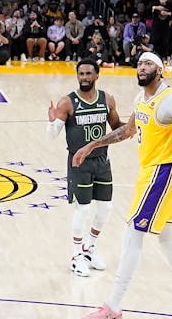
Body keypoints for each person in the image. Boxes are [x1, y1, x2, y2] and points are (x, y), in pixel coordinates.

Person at [76, 52, 172, 319]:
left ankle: (112, 308)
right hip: (150, 173)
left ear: (160, 70)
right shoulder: (141, 100)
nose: (142, 67)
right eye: (139, 63)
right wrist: (91, 145)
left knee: (132, 235)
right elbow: (127, 131)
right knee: (168, 240)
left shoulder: (171, 101)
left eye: (148, 63)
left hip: (163, 173)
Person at [47, 59, 122, 276]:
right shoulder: (67, 102)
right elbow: (52, 135)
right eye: (81, 74)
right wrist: (52, 121)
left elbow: (117, 127)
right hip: (79, 163)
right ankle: (76, 256)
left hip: (102, 160)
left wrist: (138, 125)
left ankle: (90, 249)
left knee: (105, 208)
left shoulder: (107, 99)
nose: (85, 77)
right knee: (83, 208)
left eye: (89, 73)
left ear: (97, 75)